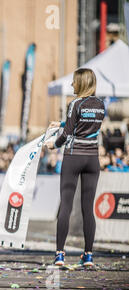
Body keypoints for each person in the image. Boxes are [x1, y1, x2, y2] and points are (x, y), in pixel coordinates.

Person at [45, 68, 105, 267]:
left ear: (81, 83)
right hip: (92, 159)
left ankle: (60, 254)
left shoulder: (75, 103)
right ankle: (88, 255)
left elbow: (68, 134)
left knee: (66, 205)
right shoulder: (100, 104)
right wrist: (61, 122)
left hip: (73, 157)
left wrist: (54, 144)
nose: (72, 84)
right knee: (88, 208)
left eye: (74, 81)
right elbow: (86, 124)